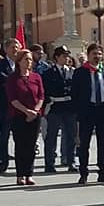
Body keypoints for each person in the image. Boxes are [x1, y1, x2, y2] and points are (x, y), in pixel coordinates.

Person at [72, 43, 104, 185]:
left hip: (103, 109)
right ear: (88, 55)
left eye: (99, 54)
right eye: (94, 54)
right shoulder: (80, 72)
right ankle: (83, 172)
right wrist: (79, 109)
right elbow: (75, 93)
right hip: (88, 110)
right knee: (84, 143)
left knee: (103, 143)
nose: (97, 57)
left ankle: (103, 171)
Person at [6, 49, 45, 186]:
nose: (29, 62)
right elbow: (12, 99)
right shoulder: (12, 78)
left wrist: (35, 111)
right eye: (26, 60)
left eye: (30, 60)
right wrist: (26, 111)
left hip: (35, 116)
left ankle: (29, 173)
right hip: (18, 115)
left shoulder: (36, 77)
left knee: (31, 145)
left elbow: (41, 96)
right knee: (21, 145)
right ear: (19, 62)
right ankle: (20, 174)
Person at [42, 45, 77, 173]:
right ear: (57, 57)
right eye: (64, 56)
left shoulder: (72, 71)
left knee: (71, 136)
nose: (66, 58)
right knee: (51, 136)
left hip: (69, 107)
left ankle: (70, 161)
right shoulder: (49, 73)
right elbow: (45, 90)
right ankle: (49, 163)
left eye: (67, 55)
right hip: (55, 107)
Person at [0, 38, 20, 173]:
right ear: (6, 49)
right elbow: (2, 78)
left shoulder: (23, 64)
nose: (15, 50)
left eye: (17, 47)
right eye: (13, 47)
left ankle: (21, 163)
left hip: (20, 106)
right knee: (3, 135)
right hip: (4, 105)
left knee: (20, 137)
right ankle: (2, 163)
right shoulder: (0, 64)